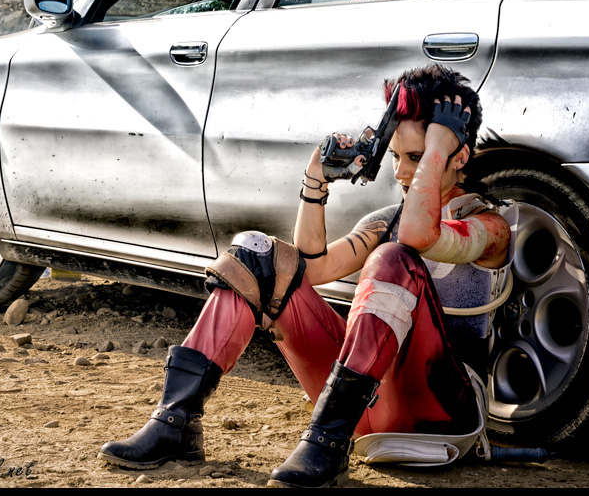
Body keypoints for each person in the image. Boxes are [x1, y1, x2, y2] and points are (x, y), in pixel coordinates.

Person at [98, 64, 513, 487]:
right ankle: (175, 422)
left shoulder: (488, 226)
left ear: (459, 156)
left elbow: (419, 236)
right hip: (361, 412)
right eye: (396, 156)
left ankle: (326, 441)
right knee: (258, 255)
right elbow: (310, 269)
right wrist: (315, 182)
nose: (401, 173)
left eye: (417, 158)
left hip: (441, 409)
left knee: (392, 257)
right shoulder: (387, 220)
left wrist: (440, 145)